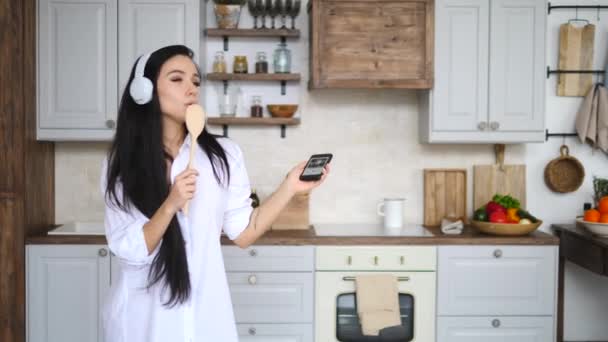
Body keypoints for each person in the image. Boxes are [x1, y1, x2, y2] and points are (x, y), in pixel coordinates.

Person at [100, 45, 329, 342]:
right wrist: (170, 204)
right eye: (177, 79)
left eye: (195, 81)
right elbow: (130, 252)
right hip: (142, 318)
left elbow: (244, 233)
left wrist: (290, 187)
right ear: (145, 90)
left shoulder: (224, 154)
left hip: (204, 315)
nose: (191, 89)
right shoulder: (122, 162)